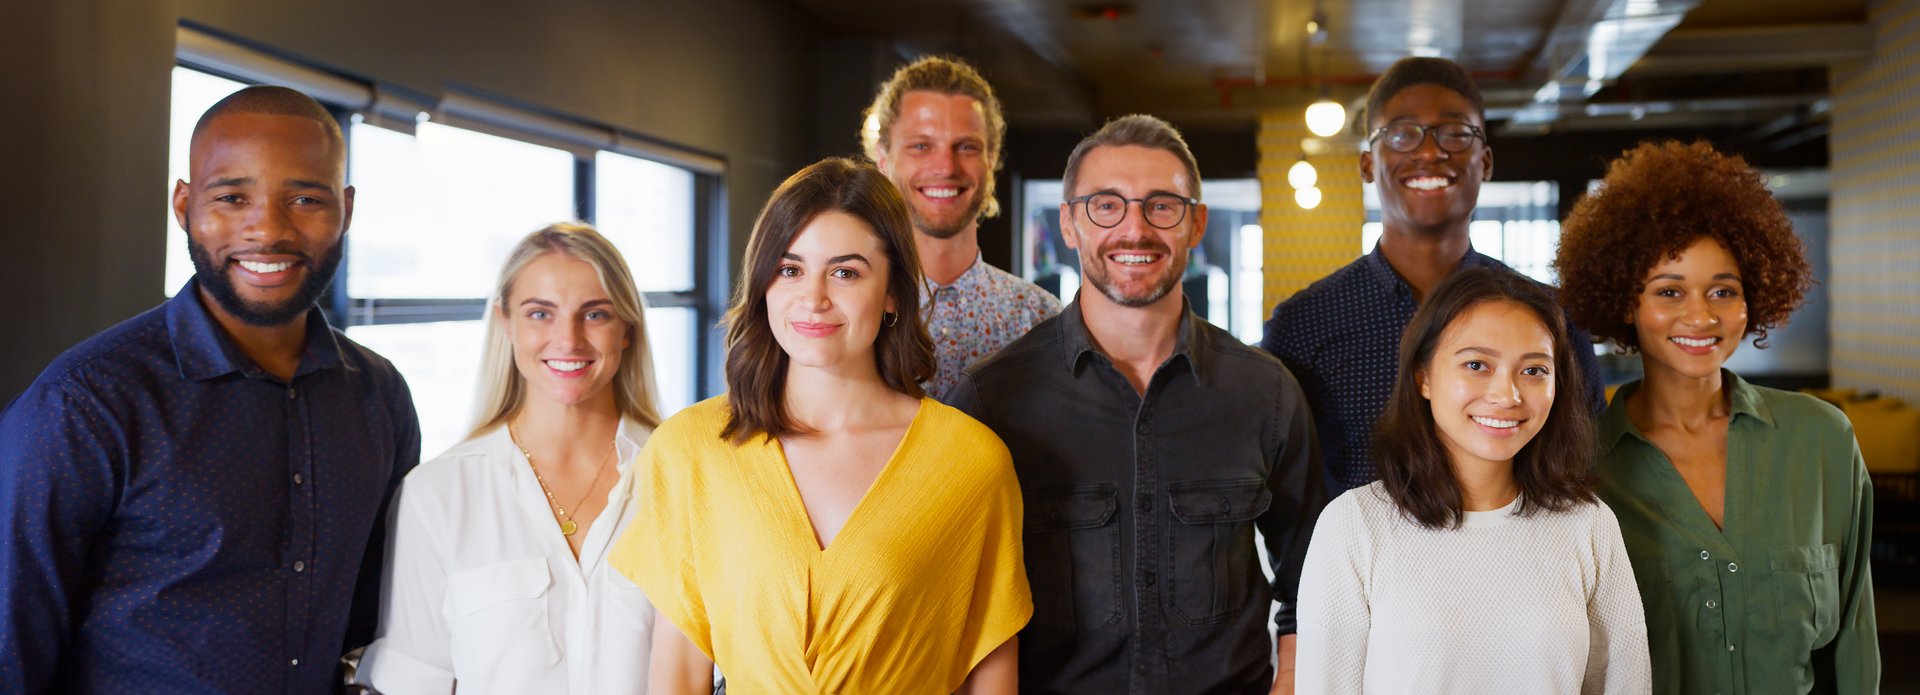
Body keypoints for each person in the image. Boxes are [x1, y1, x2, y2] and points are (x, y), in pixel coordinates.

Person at [0, 86, 420, 693]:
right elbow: (12, 649)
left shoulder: (381, 396)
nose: (268, 229)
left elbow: (377, 617)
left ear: (346, 210)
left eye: (305, 198)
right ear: (184, 205)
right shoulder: (85, 403)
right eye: (232, 197)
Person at [610, 157, 1030, 694]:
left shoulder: (970, 462)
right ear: (763, 285)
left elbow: (991, 674)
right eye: (790, 269)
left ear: (894, 292)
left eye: (845, 272)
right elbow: (679, 675)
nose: (813, 298)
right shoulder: (691, 450)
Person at [949, 114, 1322, 695]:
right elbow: (957, 601)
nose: (1135, 229)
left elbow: (1310, 583)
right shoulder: (992, 399)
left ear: (1195, 223)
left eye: (1162, 206)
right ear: (1070, 223)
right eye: (1106, 205)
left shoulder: (1266, 394)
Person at [1554, 140, 1879, 693]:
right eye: (1669, 291)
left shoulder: (1821, 440)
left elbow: (1852, 639)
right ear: (1625, 304)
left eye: (1722, 290)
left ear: (1754, 297)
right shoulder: (1577, 469)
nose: (1700, 315)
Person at [1260, 56, 1605, 497]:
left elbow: (1580, 465)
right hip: (1360, 565)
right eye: (1402, 134)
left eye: (1455, 133)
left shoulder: (1550, 318)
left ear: (1485, 162)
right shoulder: (1304, 325)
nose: (1429, 152)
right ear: (1367, 164)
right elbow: (1284, 494)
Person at [1294, 268, 1650, 694]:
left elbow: (1624, 685)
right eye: (1477, 364)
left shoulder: (1588, 524)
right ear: (1423, 377)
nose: (1507, 395)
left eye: (1534, 370)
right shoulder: (1354, 525)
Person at [351, 223, 665, 693]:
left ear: (626, 330)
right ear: (505, 322)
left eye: (595, 314)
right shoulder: (438, 494)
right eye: (540, 313)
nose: (569, 339)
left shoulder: (684, 478)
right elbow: (414, 680)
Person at [862, 55, 1061, 401]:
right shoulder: (852, 304)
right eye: (921, 146)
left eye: (966, 147)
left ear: (992, 158)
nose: (945, 166)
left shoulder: (1042, 319)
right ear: (883, 159)